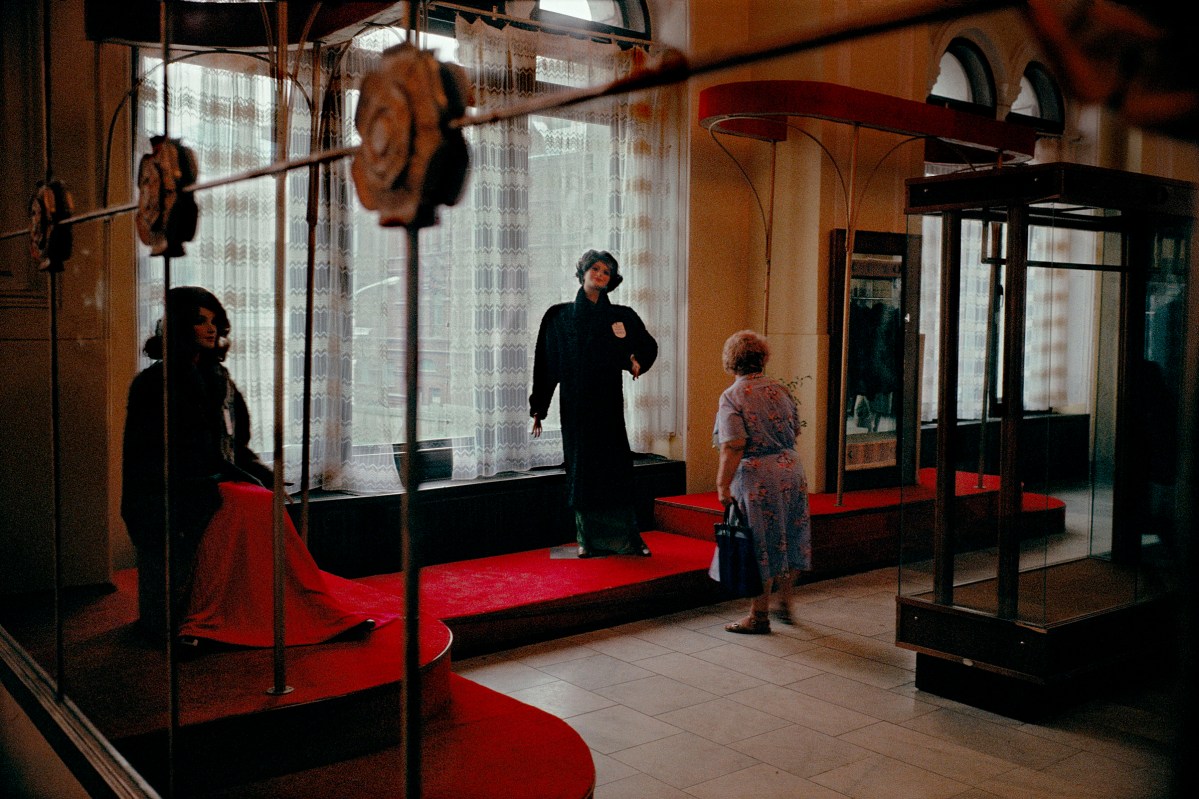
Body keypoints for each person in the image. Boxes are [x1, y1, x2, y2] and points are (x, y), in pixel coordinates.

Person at [121, 286, 388, 649]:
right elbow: (148, 458)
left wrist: (265, 477)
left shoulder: (220, 380)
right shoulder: (153, 384)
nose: (211, 328)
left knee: (265, 500)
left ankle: (314, 609)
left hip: (212, 485)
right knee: (253, 505)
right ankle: (202, 622)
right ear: (182, 325)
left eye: (215, 320)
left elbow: (235, 448)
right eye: (200, 320)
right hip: (167, 491)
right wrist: (218, 482)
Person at [530, 249, 658, 558]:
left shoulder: (621, 315)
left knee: (615, 466)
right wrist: (539, 409)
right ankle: (587, 539)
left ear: (612, 280)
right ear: (583, 272)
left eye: (606, 272)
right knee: (583, 469)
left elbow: (645, 345)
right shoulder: (559, 316)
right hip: (576, 405)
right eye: (595, 269)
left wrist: (634, 361)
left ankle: (628, 538)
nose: (600, 275)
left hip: (609, 402)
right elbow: (546, 364)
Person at [713, 329, 812, 634]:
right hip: (790, 469)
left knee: (760, 542)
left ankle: (758, 616)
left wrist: (722, 484)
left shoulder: (732, 396)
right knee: (791, 534)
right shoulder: (780, 389)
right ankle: (785, 601)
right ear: (763, 358)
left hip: (758, 477)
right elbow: (795, 430)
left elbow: (734, 444)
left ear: (731, 361)